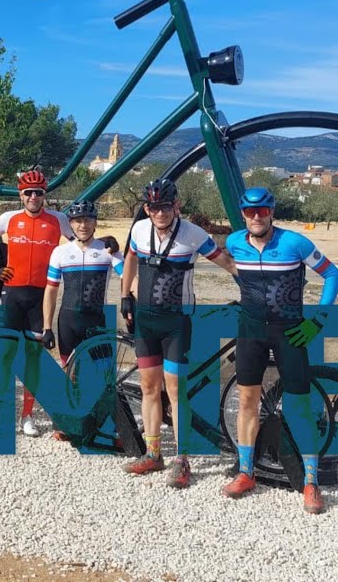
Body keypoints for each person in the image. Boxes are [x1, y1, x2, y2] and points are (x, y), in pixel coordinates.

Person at [220, 187, 338, 514]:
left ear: (272, 211)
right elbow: (241, 277)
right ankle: (246, 472)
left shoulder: (294, 242)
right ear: (243, 213)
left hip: (290, 332)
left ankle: (311, 482)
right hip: (250, 331)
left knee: (299, 407)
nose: (256, 217)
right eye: (250, 211)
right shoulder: (234, 242)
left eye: (262, 211)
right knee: (246, 401)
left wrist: (318, 320)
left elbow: (332, 274)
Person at [119, 178, 236, 488]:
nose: (159, 213)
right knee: (148, 386)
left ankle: (182, 459)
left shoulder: (194, 234)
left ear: (177, 205)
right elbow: (130, 259)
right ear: (146, 208)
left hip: (177, 322)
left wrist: (256, 285)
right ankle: (153, 453)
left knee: (175, 390)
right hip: (145, 319)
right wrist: (124, 295)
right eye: (153, 207)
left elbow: (225, 261)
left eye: (165, 207)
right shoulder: (140, 229)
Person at [0, 169, 72, 437]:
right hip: (12, 296)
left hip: (40, 298)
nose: (33, 196)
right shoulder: (9, 219)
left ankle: (26, 415)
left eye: (38, 192)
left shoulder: (58, 219)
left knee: (33, 359)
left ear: (44, 195)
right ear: (20, 194)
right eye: (28, 192)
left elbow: (79, 246)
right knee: (4, 357)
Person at [40, 199, 123, 441]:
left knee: (105, 376)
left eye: (88, 220)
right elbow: (51, 290)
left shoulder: (107, 250)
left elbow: (128, 278)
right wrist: (47, 326)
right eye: (77, 220)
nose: (83, 225)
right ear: (71, 224)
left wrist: (135, 299)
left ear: (95, 222)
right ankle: (67, 422)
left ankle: (110, 424)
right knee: (69, 373)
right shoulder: (60, 252)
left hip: (97, 320)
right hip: (69, 320)